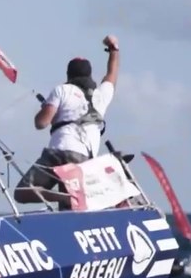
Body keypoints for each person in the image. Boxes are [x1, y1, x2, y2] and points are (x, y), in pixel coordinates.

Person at [14, 34, 120, 209]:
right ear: (90, 75)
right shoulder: (101, 96)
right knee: (73, 208)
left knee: (23, 192)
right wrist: (114, 49)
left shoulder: (62, 90)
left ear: (68, 74)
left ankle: (61, 197)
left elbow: (41, 123)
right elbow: (111, 74)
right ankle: (65, 199)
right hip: (83, 159)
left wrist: (47, 111)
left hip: (59, 151)